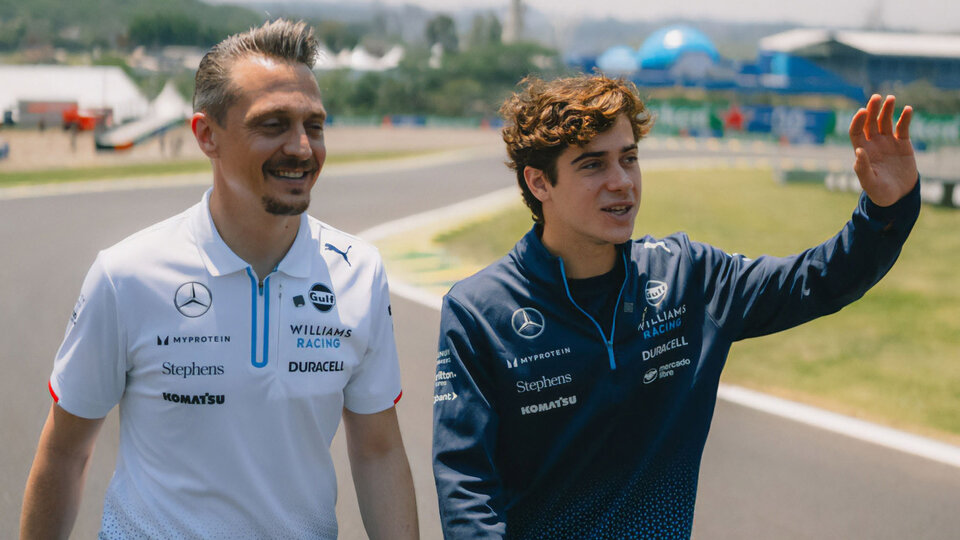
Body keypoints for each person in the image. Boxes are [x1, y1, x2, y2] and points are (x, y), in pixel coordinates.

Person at [432, 74, 919, 538]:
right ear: (540, 183)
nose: (621, 181)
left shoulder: (688, 276)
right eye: (593, 165)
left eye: (629, 158)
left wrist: (885, 211)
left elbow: (819, 280)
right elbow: (466, 486)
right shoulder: (478, 313)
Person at [20, 19, 418, 539]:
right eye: (273, 124)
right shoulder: (126, 275)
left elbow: (378, 451)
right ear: (207, 135)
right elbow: (65, 452)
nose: (302, 148)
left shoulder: (359, 272)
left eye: (314, 125)